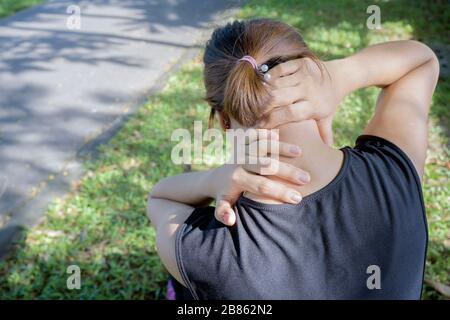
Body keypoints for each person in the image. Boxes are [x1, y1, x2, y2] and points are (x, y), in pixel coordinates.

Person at [147, 19, 439, 299]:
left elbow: (159, 200)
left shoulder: (205, 253)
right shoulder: (393, 173)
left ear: (224, 120)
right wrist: (341, 75)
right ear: (313, 73)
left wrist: (213, 179)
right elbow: (421, 61)